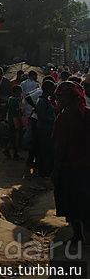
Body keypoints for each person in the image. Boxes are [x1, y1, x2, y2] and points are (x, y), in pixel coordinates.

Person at [52, 81, 90, 247]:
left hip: (70, 166)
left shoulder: (64, 117)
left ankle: (78, 236)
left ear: (69, 97)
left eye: (61, 98)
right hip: (86, 166)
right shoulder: (87, 113)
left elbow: (61, 144)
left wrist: (55, 169)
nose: (59, 101)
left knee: (72, 202)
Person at [34, 79, 57, 178]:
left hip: (47, 128)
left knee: (46, 150)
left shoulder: (46, 100)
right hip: (44, 128)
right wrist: (53, 120)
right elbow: (41, 116)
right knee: (45, 150)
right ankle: (44, 171)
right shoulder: (42, 101)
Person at [4, 85, 23, 160]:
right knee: (16, 138)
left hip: (10, 120)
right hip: (16, 121)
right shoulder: (18, 100)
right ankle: (10, 150)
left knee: (12, 136)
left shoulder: (10, 99)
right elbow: (19, 112)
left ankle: (13, 152)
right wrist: (21, 121)